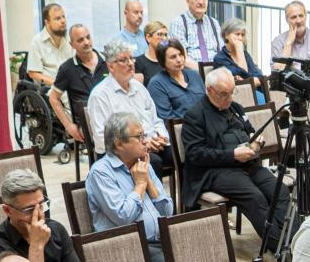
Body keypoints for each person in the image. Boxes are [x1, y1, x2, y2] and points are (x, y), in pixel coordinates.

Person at [180, 69, 288, 247]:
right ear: (209, 90)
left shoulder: (235, 108)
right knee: (255, 198)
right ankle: (282, 249)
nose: (229, 98)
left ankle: (291, 242)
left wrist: (256, 143)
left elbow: (250, 131)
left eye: (232, 92)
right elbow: (196, 154)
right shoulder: (195, 116)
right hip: (217, 171)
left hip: (247, 165)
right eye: (224, 94)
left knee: (280, 191)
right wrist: (233, 155)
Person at [86, 112, 174, 262]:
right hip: (127, 245)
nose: (145, 141)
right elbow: (123, 217)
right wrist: (140, 185)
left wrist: (148, 181)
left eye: (144, 135)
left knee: (199, 256)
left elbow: (168, 212)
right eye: (139, 137)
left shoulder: (142, 164)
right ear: (119, 144)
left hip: (160, 239)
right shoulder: (101, 173)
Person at [86, 40, 170, 174]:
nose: (130, 63)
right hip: (121, 153)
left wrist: (161, 137)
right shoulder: (100, 95)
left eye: (132, 58)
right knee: (153, 162)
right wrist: (140, 145)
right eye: (124, 60)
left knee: (183, 153)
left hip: (150, 144)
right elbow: (102, 140)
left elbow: (156, 120)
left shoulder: (139, 88)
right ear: (111, 66)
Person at [49, 23, 106, 146]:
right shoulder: (67, 69)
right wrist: (69, 125)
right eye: (80, 40)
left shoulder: (107, 61)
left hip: (109, 115)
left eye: (88, 37)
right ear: (72, 45)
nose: (86, 42)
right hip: (88, 123)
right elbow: (53, 98)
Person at [146, 38, 205, 122]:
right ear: (162, 60)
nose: (179, 60)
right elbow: (167, 119)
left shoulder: (194, 75)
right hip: (184, 127)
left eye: (180, 55)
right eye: (173, 57)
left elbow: (207, 103)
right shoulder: (156, 84)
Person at [215, 18, 268, 103]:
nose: (240, 38)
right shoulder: (220, 58)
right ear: (226, 35)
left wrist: (251, 81)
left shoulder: (245, 54)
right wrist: (239, 50)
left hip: (254, 92)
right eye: (237, 34)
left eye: (242, 35)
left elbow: (258, 75)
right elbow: (241, 82)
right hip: (234, 97)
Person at [170, 0, 223, 67]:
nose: (201, 2)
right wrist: (203, 71)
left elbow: (222, 51)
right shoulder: (178, 23)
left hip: (216, 67)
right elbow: (181, 58)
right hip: (191, 69)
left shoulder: (214, 23)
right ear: (188, 1)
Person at [27, 3, 71, 85]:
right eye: (58, 18)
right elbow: (33, 73)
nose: (63, 21)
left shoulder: (70, 38)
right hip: (49, 87)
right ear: (47, 22)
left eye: (63, 17)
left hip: (71, 85)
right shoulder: (37, 42)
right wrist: (57, 84)